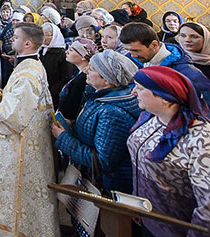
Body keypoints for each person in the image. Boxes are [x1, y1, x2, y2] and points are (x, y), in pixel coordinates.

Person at [127, 66, 210, 236]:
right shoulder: (151, 118)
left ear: (166, 99)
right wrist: (138, 203)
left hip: (177, 229)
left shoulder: (205, 144)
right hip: (150, 220)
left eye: (141, 88)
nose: (133, 92)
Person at [0, 23, 59, 236]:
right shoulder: (30, 65)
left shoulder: (27, 73)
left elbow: (12, 117)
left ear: (27, 43)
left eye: (15, 37)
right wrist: (4, 94)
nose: (11, 39)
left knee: (18, 192)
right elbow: (21, 100)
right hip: (29, 135)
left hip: (21, 142)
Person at [52, 50, 140, 195]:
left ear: (107, 80)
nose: (86, 70)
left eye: (92, 69)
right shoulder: (99, 98)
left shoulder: (111, 113)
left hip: (106, 187)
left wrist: (63, 138)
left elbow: (103, 161)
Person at [120, 22, 210, 119]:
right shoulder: (136, 61)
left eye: (136, 50)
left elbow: (205, 111)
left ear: (154, 45)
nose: (133, 55)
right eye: (128, 50)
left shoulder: (187, 72)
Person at [59, 38, 97, 121]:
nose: (66, 52)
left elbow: (72, 107)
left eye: (71, 50)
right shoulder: (79, 73)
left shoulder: (83, 80)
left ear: (84, 57)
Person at [40, 21, 72, 108]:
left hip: (54, 93)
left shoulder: (62, 53)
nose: (43, 37)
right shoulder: (41, 50)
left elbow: (66, 76)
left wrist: (52, 91)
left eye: (47, 35)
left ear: (54, 36)